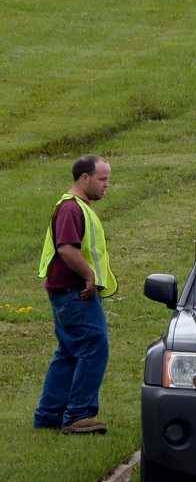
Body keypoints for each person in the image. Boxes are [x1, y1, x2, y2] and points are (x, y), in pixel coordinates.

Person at [34, 155, 115, 434]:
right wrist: (89, 276)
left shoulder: (76, 207)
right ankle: (79, 414)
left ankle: (48, 415)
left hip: (66, 291)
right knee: (95, 346)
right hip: (75, 292)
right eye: (102, 179)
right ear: (84, 178)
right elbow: (67, 248)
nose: (107, 185)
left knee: (69, 351)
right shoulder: (71, 208)